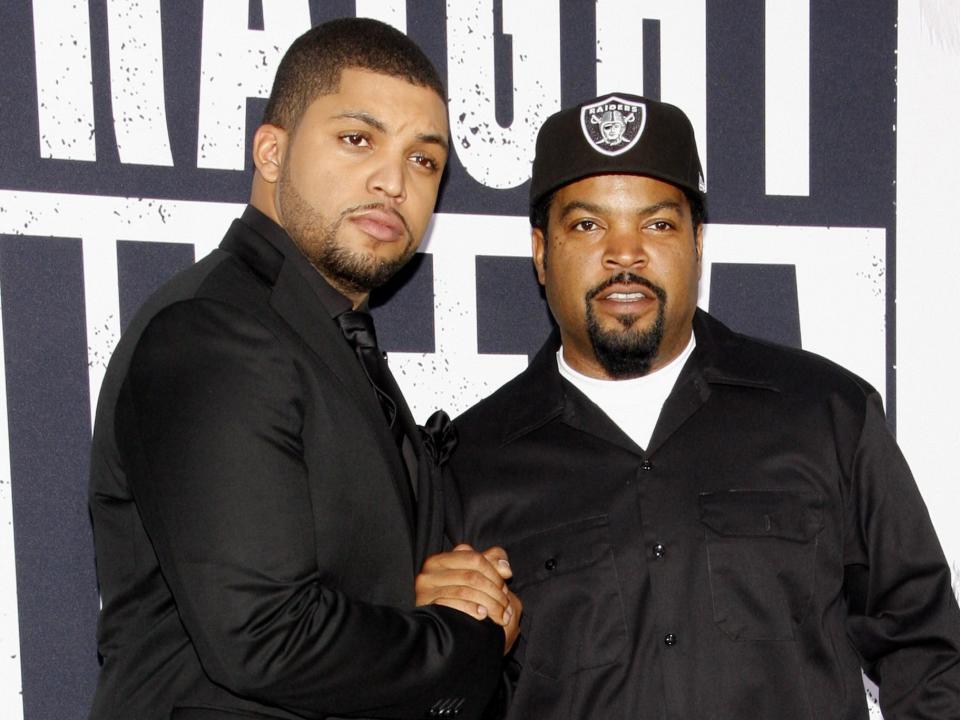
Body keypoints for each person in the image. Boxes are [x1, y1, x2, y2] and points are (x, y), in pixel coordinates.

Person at [446, 92, 960, 719]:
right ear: (540, 252)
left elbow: (929, 653)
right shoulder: (468, 464)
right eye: (588, 225)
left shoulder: (826, 413)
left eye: (657, 223)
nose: (625, 254)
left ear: (697, 242)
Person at [88, 18, 519, 720]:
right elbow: (264, 636)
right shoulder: (214, 332)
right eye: (357, 139)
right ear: (270, 151)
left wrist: (444, 588)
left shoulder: (320, 337)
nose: (392, 181)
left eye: (424, 161)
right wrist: (466, 637)